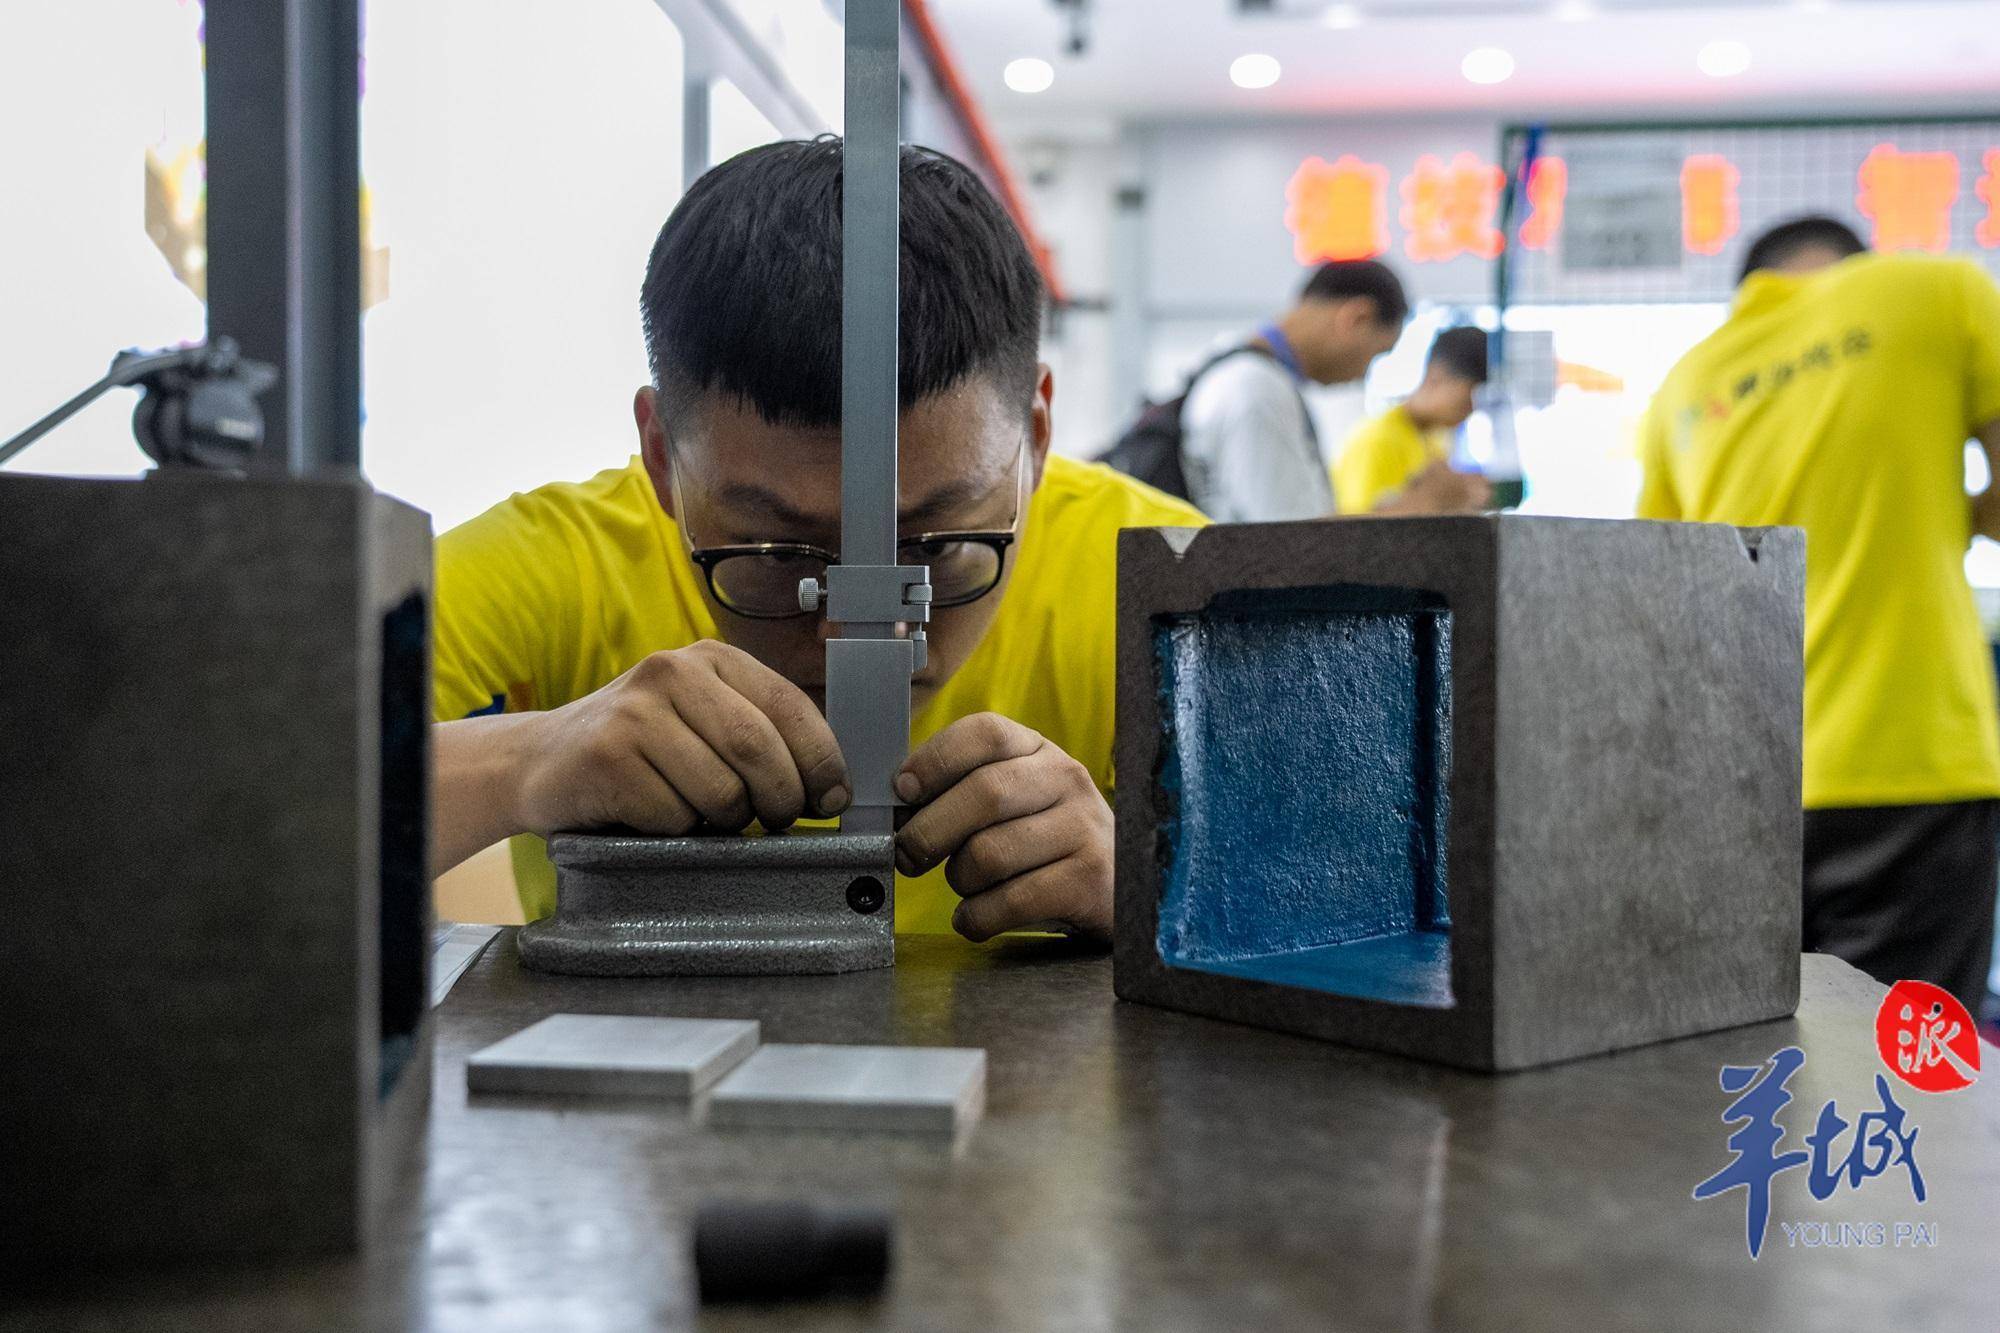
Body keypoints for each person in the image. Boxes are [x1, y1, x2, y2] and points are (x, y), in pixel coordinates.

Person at [429, 138, 1204, 942]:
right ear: (663, 457)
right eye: (778, 557)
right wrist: (520, 762)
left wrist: (1160, 894)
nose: (860, 633)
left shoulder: (1170, 588)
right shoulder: (561, 567)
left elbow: (1333, 913)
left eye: (935, 547)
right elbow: (289, 810)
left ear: (1036, 437)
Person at [1636, 214, 2000, 1011]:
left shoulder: (1686, 384)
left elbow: (1657, 585)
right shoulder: (1932, 289)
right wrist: (1959, 511)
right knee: (1899, 1092)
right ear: (1849, 266)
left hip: (1734, 779)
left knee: (1751, 1069)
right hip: (1903, 761)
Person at [1176, 260, 1409, 523]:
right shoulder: (1256, 389)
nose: (1363, 375)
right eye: (1376, 354)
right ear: (1356, 318)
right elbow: (1288, 543)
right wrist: (1416, 507)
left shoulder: (1246, 373)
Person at [1332, 325, 1493, 515]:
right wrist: (1430, 500)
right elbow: (1349, 532)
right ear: (1436, 377)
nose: (1472, 410)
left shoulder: (1435, 439)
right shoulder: (1377, 441)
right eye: (1469, 398)